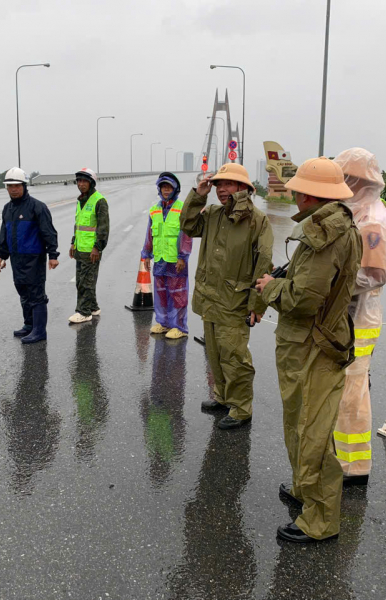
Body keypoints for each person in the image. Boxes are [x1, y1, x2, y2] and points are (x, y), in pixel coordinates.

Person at [255, 156, 362, 544]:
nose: (294, 194)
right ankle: (305, 490)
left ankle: (320, 520)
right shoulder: (333, 224)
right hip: (309, 342)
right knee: (300, 423)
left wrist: (269, 287)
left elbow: (303, 299)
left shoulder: (324, 232)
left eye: (299, 189)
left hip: (313, 344)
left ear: (310, 195)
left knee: (312, 432)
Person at [180, 163, 273, 430]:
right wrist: (198, 195)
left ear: (243, 187)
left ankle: (241, 408)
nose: (221, 189)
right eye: (218, 185)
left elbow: (264, 264)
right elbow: (187, 225)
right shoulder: (212, 214)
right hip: (210, 299)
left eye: (228, 184)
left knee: (234, 357)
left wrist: (257, 304)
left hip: (235, 302)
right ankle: (222, 397)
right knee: (214, 353)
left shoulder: (257, 220)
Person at [332, 148, 386, 486]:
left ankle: (353, 466)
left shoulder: (371, 218)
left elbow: (375, 273)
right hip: (351, 315)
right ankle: (342, 459)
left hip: (359, 319)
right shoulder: (360, 209)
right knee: (347, 390)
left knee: (351, 393)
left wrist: (332, 283)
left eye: (344, 178)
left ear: (357, 181)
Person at [0, 167, 59, 344]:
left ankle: (39, 331)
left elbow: (49, 232)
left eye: (17, 186)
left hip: (34, 258)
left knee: (36, 294)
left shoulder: (37, 207)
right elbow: (4, 233)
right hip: (16, 259)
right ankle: (29, 325)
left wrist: (53, 255)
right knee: (23, 291)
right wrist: (1, 255)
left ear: (24, 186)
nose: (13, 189)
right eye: (10, 186)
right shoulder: (7, 209)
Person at [141, 172, 192, 339]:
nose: (166, 190)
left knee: (178, 293)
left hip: (176, 260)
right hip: (160, 259)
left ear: (175, 189)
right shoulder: (154, 210)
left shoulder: (182, 209)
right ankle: (164, 323)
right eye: (163, 187)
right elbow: (149, 235)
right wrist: (146, 255)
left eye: (169, 187)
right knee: (161, 293)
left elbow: (186, 236)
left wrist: (183, 257)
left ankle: (179, 327)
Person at [68, 168, 109, 323]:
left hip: (91, 250)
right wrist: (73, 243)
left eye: (84, 181)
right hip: (80, 248)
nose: (81, 184)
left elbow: (103, 228)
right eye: (79, 181)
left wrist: (97, 247)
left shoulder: (99, 201)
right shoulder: (81, 200)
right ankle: (92, 307)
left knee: (86, 282)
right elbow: (78, 225)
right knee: (82, 281)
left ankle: (84, 312)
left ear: (91, 183)